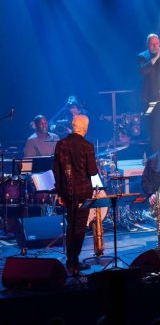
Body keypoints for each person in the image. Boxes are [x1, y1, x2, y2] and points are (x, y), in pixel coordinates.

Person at [52, 115, 98, 274]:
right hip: (83, 192)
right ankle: (74, 262)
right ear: (85, 128)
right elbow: (92, 171)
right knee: (79, 227)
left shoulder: (61, 144)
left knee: (71, 225)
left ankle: (71, 260)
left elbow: (56, 171)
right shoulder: (87, 146)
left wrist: (59, 192)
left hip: (66, 192)